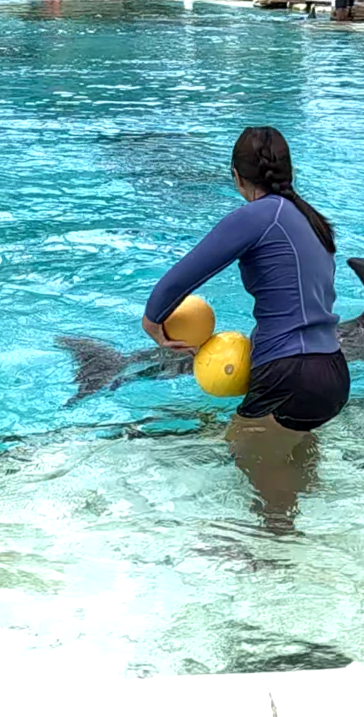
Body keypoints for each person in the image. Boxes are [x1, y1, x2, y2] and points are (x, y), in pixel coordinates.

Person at [143, 127, 349, 531]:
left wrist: (152, 321)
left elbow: (184, 276)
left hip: (291, 372)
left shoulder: (260, 216)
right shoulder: (311, 221)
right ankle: (296, 539)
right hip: (332, 371)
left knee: (245, 447)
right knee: (289, 452)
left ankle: (274, 545)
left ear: (236, 176)